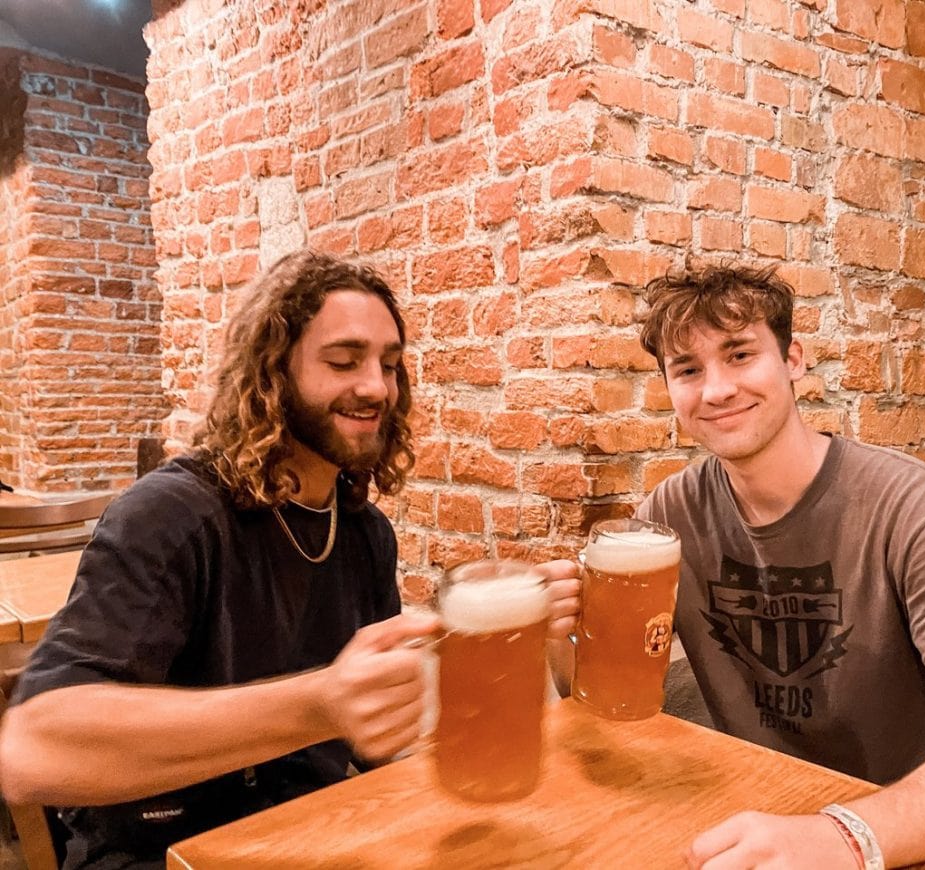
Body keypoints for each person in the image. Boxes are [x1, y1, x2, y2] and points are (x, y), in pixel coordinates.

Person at [0, 250, 580, 869]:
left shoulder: (363, 531)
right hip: (162, 852)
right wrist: (320, 702)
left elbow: (378, 746)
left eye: (389, 365)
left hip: (321, 831)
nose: (376, 387)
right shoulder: (172, 515)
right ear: (272, 373)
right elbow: (33, 752)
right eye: (344, 360)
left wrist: (501, 658)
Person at [588, 266, 925, 868]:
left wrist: (842, 837)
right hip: (760, 814)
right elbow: (619, 696)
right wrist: (559, 637)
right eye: (688, 369)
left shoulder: (916, 510)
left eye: (740, 354)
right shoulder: (668, 515)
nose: (715, 390)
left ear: (793, 360)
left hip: (913, 829)